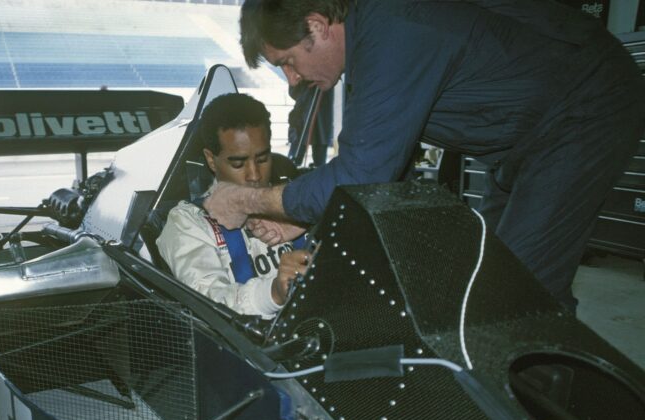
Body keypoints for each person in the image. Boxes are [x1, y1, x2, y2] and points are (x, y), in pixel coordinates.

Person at [205, 0, 645, 311]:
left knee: (517, 295)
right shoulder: (374, 37)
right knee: (487, 273)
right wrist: (301, 213)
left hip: (585, 110)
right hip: (525, 141)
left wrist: (246, 200)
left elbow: (359, 174)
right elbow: (378, 166)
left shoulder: (393, 31)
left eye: (289, 61)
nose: (292, 80)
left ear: (318, 26)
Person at [157, 93, 310, 319]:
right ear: (211, 160)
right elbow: (208, 301)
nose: (254, 175)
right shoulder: (188, 223)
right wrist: (274, 293)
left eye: (262, 159)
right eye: (238, 163)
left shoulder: (298, 199)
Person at [287, 81, 333, 167]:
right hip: (304, 112)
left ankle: (318, 169)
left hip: (322, 113)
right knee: (296, 152)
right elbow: (293, 91)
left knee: (320, 156)